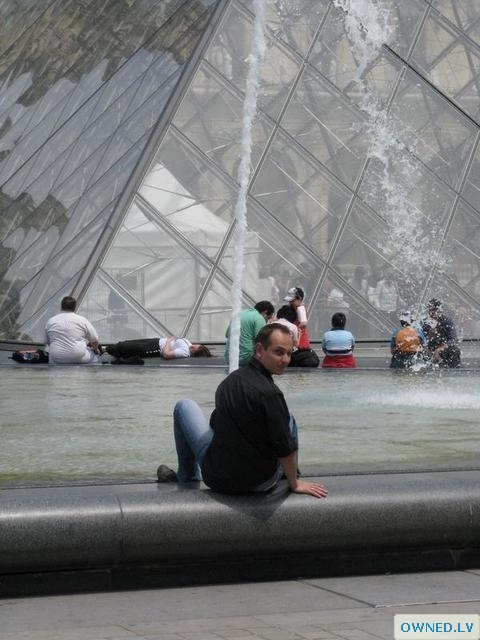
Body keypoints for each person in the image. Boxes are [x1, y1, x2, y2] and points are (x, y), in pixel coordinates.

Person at [157, 324, 328, 499]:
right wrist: (295, 484)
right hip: (259, 483)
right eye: (279, 352)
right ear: (260, 349)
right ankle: (292, 476)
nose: (285, 359)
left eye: (289, 353)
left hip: (216, 478)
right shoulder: (271, 395)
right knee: (288, 419)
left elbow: (216, 425)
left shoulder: (228, 382)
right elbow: (285, 446)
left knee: (184, 406)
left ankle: (187, 479)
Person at [45, 296, 101, 365]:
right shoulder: (82, 320)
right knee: (95, 358)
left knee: (52, 358)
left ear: (61, 306)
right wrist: (96, 350)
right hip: (78, 357)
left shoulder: (51, 321)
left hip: (57, 358)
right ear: (74, 307)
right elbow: (94, 340)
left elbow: (47, 342)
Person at [224, 300, 274, 366]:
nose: (266, 321)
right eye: (268, 318)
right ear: (265, 312)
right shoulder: (259, 317)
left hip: (230, 357)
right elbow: (262, 340)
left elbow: (227, 335)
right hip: (246, 358)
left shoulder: (239, 314)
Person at [283, 287, 319, 367]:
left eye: (292, 301)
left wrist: (294, 328)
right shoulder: (295, 309)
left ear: (299, 298)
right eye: (290, 301)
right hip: (297, 345)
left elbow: (304, 323)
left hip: (300, 345)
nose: (290, 303)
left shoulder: (300, 308)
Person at [422, 298, 461, 368]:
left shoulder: (447, 321)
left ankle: (453, 371)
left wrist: (440, 348)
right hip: (429, 348)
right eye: (431, 311)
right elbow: (421, 341)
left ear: (440, 310)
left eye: (436, 311)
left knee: (455, 350)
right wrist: (430, 336)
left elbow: (453, 339)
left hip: (443, 348)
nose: (434, 314)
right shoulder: (424, 322)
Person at [105, 337, 212, 361]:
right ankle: (107, 350)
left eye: (194, 349)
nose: (192, 346)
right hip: (155, 341)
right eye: (196, 345)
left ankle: (105, 350)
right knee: (128, 343)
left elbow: (166, 354)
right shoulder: (188, 343)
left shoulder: (184, 352)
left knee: (126, 347)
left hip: (155, 348)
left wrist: (169, 341)